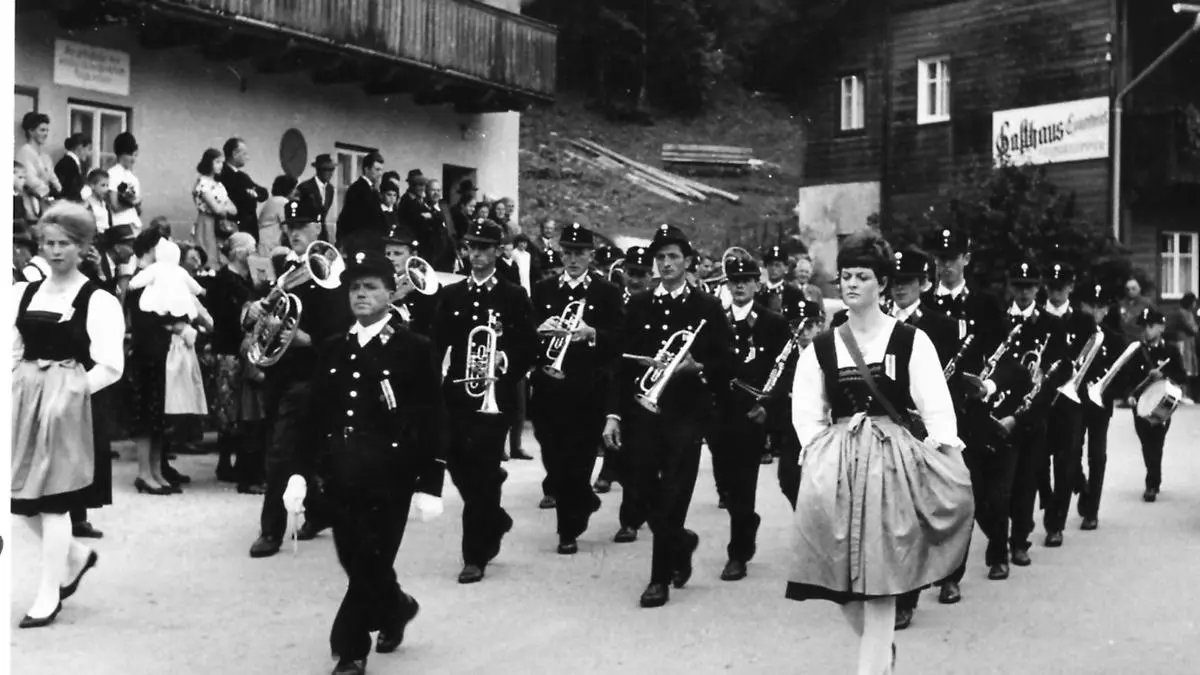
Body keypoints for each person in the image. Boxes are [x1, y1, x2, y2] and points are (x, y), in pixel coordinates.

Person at [786, 230, 973, 675]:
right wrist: (819, 456)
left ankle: (872, 666)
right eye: (846, 276)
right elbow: (807, 413)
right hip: (839, 464)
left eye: (863, 276)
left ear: (882, 283)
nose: (851, 284)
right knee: (838, 577)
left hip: (892, 465)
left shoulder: (910, 341)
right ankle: (881, 650)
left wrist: (950, 458)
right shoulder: (823, 347)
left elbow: (936, 406)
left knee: (883, 575)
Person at [284, 249, 446, 675]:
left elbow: (432, 417)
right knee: (355, 559)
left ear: (391, 294)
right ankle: (397, 608)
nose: (360, 294)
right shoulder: (335, 347)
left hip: (391, 477)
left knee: (370, 562)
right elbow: (313, 417)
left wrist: (431, 483)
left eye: (371, 287)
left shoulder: (414, 348)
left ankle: (350, 649)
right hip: (341, 475)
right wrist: (298, 473)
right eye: (354, 287)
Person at [601, 224, 734, 608]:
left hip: (686, 413)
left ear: (688, 261)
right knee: (640, 491)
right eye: (660, 257)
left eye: (673, 256)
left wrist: (697, 366)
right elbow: (620, 364)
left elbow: (726, 361)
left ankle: (658, 579)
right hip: (642, 411)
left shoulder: (706, 307)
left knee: (674, 493)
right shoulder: (639, 304)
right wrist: (613, 414)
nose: (666, 263)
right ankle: (681, 541)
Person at [11, 202, 125, 628]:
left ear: (82, 246)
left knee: (54, 503)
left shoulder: (98, 300)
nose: (55, 251)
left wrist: (68, 395)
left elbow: (110, 365)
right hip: (26, 403)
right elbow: (12, 351)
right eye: (48, 243)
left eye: (64, 243)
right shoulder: (23, 293)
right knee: (19, 500)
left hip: (70, 408)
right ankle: (74, 555)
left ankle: (48, 593)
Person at [431, 219, 538, 584]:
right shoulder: (452, 294)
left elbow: (530, 346)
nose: (475, 253)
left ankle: (474, 556)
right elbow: (436, 345)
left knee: (481, 471)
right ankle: (493, 517)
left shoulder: (513, 295)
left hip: (495, 398)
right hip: (458, 394)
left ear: (497, 251)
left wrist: (504, 357)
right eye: (471, 247)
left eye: (483, 247)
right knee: (458, 464)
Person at [247, 200, 354, 558]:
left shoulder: (330, 274)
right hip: (279, 372)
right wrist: (257, 310)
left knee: (280, 453)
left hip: (310, 374)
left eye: (301, 225)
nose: (294, 232)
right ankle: (320, 511)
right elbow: (263, 314)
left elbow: (340, 331)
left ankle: (271, 531)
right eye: (290, 225)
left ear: (317, 227)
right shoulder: (284, 270)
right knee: (302, 453)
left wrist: (305, 337)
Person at [529, 223, 624, 554]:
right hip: (548, 388)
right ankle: (582, 499)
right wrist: (539, 330)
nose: (572, 259)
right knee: (553, 458)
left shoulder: (607, 291)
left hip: (587, 389)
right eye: (567, 252)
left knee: (580, 459)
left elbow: (619, 339)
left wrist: (592, 333)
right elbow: (526, 332)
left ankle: (567, 530)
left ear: (590, 255)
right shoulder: (543, 290)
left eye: (579, 253)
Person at [885, 248, 961, 631]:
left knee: (922, 511)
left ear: (923, 284)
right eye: (895, 282)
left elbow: (950, 380)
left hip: (924, 430)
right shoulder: (876, 323)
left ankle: (934, 581)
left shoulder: (942, 326)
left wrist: (940, 430)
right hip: (887, 428)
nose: (900, 289)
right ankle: (899, 591)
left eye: (908, 282)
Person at [710, 256, 790, 581]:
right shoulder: (717, 319)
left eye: (746, 280)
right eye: (734, 280)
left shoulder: (773, 322)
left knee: (744, 483)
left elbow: (786, 367)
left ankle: (738, 553)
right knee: (725, 483)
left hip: (751, 414)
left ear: (758, 284)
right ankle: (746, 520)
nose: (740, 285)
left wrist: (769, 406)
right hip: (719, 411)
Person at [206, 232, 266, 493]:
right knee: (229, 408)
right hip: (229, 349)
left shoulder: (248, 279)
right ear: (240, 253)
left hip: (244, 349)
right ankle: (226, 461)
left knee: (243, 410)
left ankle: (238, 461)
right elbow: (224, 316)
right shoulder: (224, 280)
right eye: (251, 249)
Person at [594, 245, 654, 498]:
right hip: (614, 368)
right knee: (613, 417)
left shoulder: (654, 302)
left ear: (651, 275)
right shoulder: (614, 297)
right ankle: (608, 470)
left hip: (644, 372)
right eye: (632, 273)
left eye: (642, 274)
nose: (636, 280)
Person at [1069, 282, 1125, 531]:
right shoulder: (1073, 333)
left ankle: (1092, 510)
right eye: (1090, 306)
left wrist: (1105, 390)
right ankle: (1082, 486)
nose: (1095, 312)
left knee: (1097, 456)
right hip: (1075, 402)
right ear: (1081, 306)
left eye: (1100, 307)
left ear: (1107, 310)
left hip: (1100, 405)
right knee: (1071, 453)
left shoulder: (1114, 339)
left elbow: (1121, 375)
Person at [1123, 307, 1186, 503]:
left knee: (1156, 442)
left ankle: (1151, 483)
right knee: (1146, 442)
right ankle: (1154, 477)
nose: (1146, 331)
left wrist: (1164, 376)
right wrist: (1129, 395)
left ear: (1161, 327)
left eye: (1150, 326)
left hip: (1162, 404)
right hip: (1140, 404)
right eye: (1143, 327)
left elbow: (1182, 376)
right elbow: (1127, 377)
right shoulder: (1136, 350)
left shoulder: (1170, 351)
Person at [193, 148, 239, 269]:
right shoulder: (203, 183)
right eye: (217, 162)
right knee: (208, 256)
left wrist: (222, 206)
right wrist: (224, 206)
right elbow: (216, 209)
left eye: (222, 163)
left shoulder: (219, 185)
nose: (220, 166)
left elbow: (234, 209)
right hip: (206, 222)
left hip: (221, 224)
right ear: (209, 162)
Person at [219, 137, 269, 241]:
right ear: (234, 153)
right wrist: (248, 194)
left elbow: (263, 193)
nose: (247, 157)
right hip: (234, 228)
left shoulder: (242, 176)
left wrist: (255, 193)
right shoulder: (222, 174)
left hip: (248, 228)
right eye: (244, 154)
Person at [337, 151, 387, 251]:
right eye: (377, 169)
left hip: (372, 243)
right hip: (360, 244)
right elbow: (351, 219)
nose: (380, 174)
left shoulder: (374, 191)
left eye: (381, 170)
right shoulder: (357, 189)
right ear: (367, 169)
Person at [16, 112, 61, 208]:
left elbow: (52, 177)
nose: (46, 134)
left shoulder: (45, 156)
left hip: (45, 200)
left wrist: (59, 189)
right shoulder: (25, 151)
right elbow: (30, 179)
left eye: (47, 130)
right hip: (30, 202)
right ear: (31, 131)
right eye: (42, 130)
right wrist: (46, 191)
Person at [106, 132, 143, 232]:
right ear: (122, 154)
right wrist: (132, 203)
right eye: (131, 155)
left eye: (135, 155)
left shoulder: (132, 177)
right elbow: (114, 206)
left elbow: (138, 209)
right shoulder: (112, 174)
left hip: (134, 224)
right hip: (121, 225)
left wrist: (136, 204)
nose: (134, 160)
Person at [756, 245, 805, 315]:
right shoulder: (758, 292)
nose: (773, 268)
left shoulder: (795, 293)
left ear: (786, 268)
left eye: (777, 265)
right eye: (770, 264)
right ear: (766, 266)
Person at [296, 154, 336, 240]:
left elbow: (324, 212)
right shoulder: (305, 187)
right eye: (326, 170)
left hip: (322, 232)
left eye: (332, 169)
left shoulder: (330, 189)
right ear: (318, 170)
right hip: (306, 231)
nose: (330, 173)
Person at [1166, 292, 1198, 400]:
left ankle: (1187, 393)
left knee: (1190, 369)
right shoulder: (1182, 313)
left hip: (1190, 344)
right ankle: (1182, 393)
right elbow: (1192, 328)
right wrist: (1195, 328)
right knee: (1183, 367)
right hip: (1183, 343)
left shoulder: (1190, 313)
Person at [55, 133, 92, 202]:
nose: (89, 153)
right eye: (89, 149)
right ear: (80, 147)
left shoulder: (73, 163)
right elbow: (69, 190)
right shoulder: (67, 164)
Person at [83, 169, 113, 234]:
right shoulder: (87, 205)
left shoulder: (105, 203)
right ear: (92, 186)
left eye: (107, 185)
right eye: (103, 185)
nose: (106, 189)